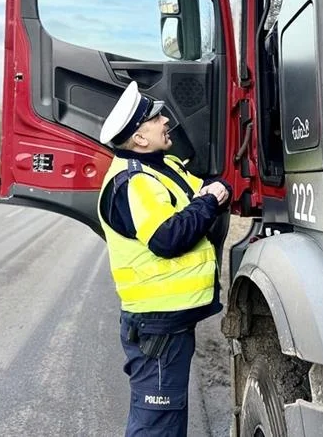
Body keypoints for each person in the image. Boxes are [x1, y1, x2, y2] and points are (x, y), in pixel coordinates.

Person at [97, 80, 230, 437]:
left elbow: (208, 188)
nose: (166, 121)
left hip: (171, 321)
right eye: (156, 118)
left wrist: (215, 193)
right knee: (157, 422)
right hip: (157, 323)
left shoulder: (163, 165)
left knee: (167, 416)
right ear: (139, 138)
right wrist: (209, 200)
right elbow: (167, 237)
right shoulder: (134, 182)